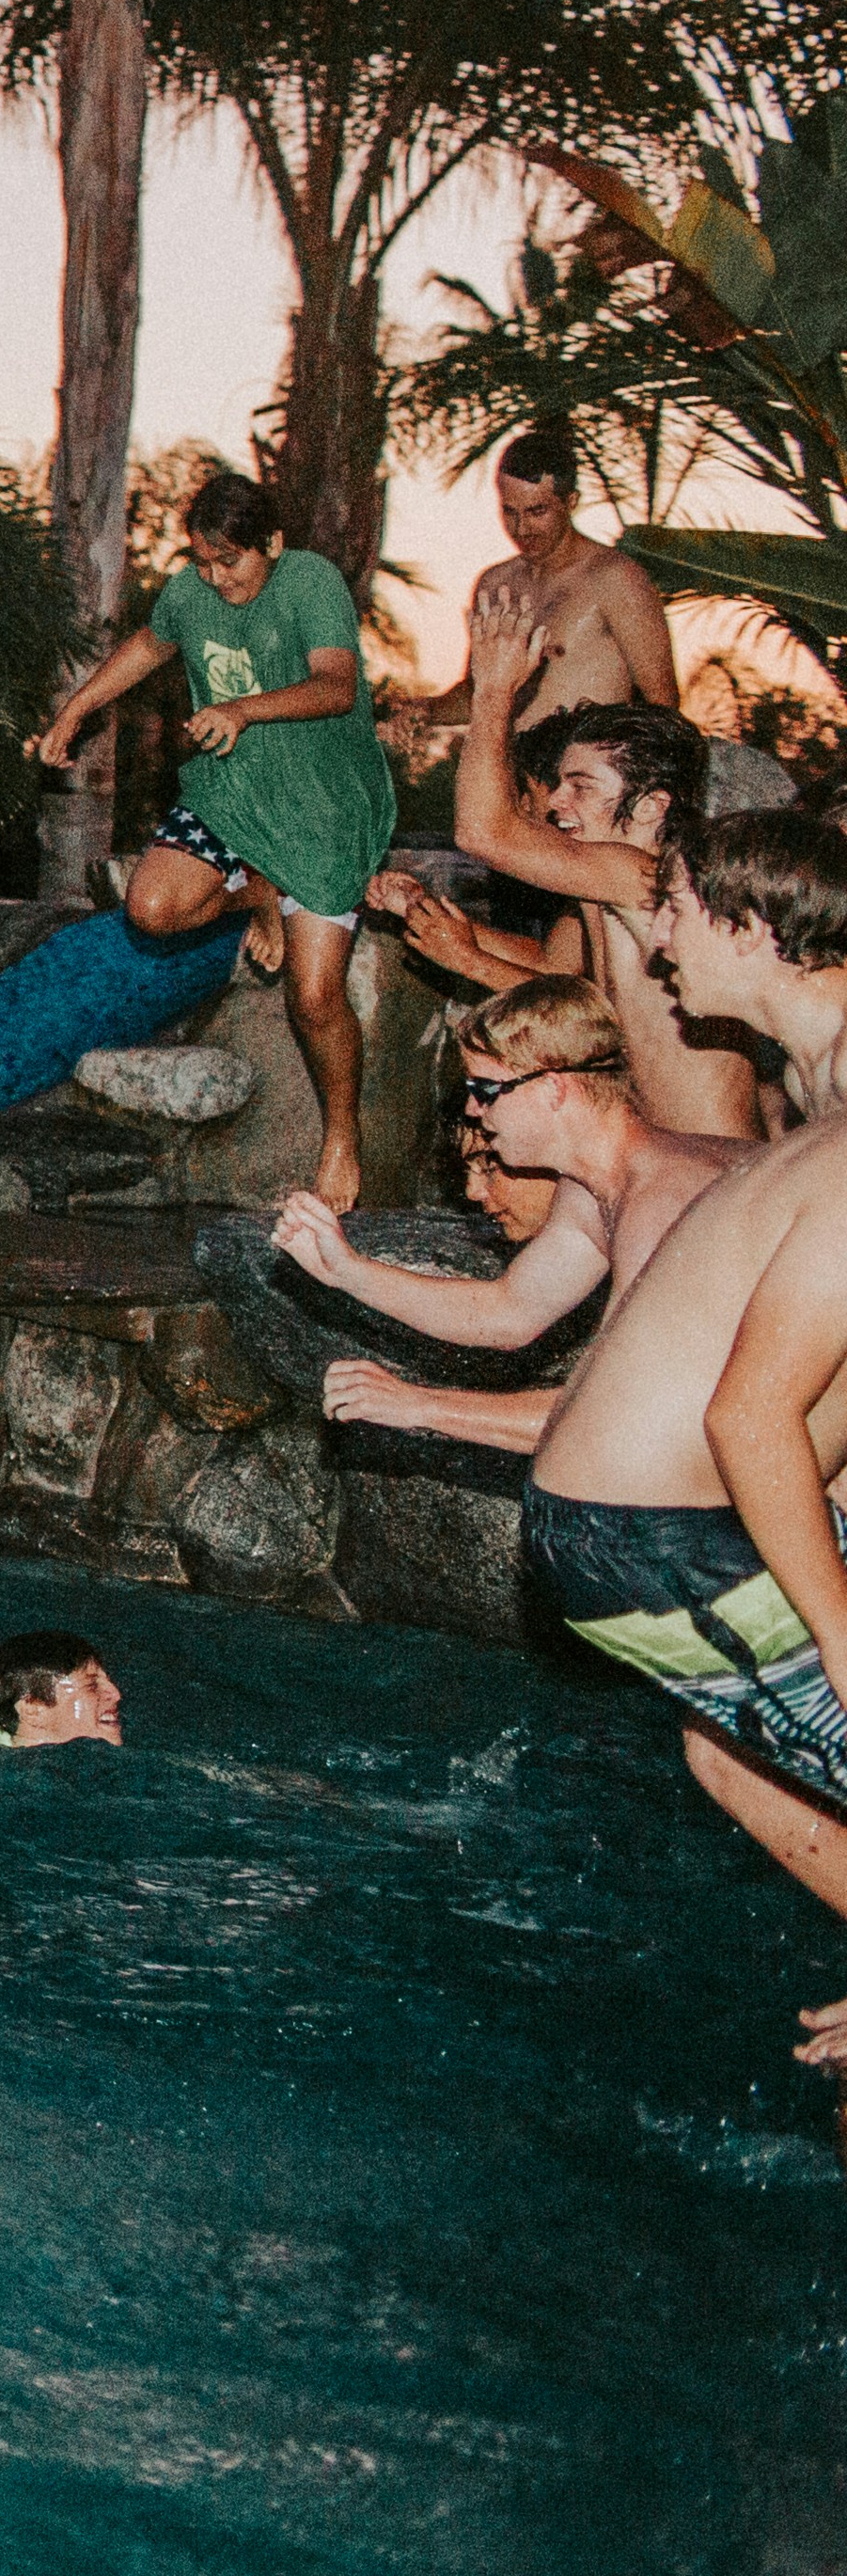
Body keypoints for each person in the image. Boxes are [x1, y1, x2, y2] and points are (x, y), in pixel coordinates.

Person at [508, 809, 847, 2060]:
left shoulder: (823, 1095)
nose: (654, 940)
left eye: (683, 909)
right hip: (667, 1534)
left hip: (628, 1534)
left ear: (764, 927)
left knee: (728, 1762)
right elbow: (754, 1410)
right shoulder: (827, 1099)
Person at [30, 467, 393, 1211]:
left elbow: (337, 686)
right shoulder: (193, 590)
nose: (213, 576)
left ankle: (341, 1136)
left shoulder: (309, 581)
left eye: (230, 560)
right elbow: (147, 645)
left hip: (321, 802)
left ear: (273, 545)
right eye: (202, 560)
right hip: (232, 793)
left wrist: (245, 710)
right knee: (152, 908)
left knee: (316, 997)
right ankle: (259, 891)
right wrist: (76, 711)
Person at [284, 972, 755, 1453]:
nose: (473, 1109)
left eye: (486, 1089)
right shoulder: (591, 1189)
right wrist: (345, 1270)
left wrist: (416, 1406)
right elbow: (510, 1310)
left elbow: (623, 1412)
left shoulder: (661, 1206)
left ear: (554, 1089)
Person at [387, 687, 767, 1143]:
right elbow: (555, 973)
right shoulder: (603, 890)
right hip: (662, 1149)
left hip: (710, 1160)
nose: (554, 802)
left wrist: (493, 687)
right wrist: (423, 910)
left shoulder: (646, 877)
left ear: (651, 806)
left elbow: (482, 833)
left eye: (581, 787)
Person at [462, 423, 680, 735]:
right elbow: (476, 693)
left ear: (571, 502)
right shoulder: (494, 585)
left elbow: (664, 706)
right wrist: (421, 710)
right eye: (510, 512)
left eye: (537, 511)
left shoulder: (615, 578)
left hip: (581, 776)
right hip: (506, 771)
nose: (522, 528)